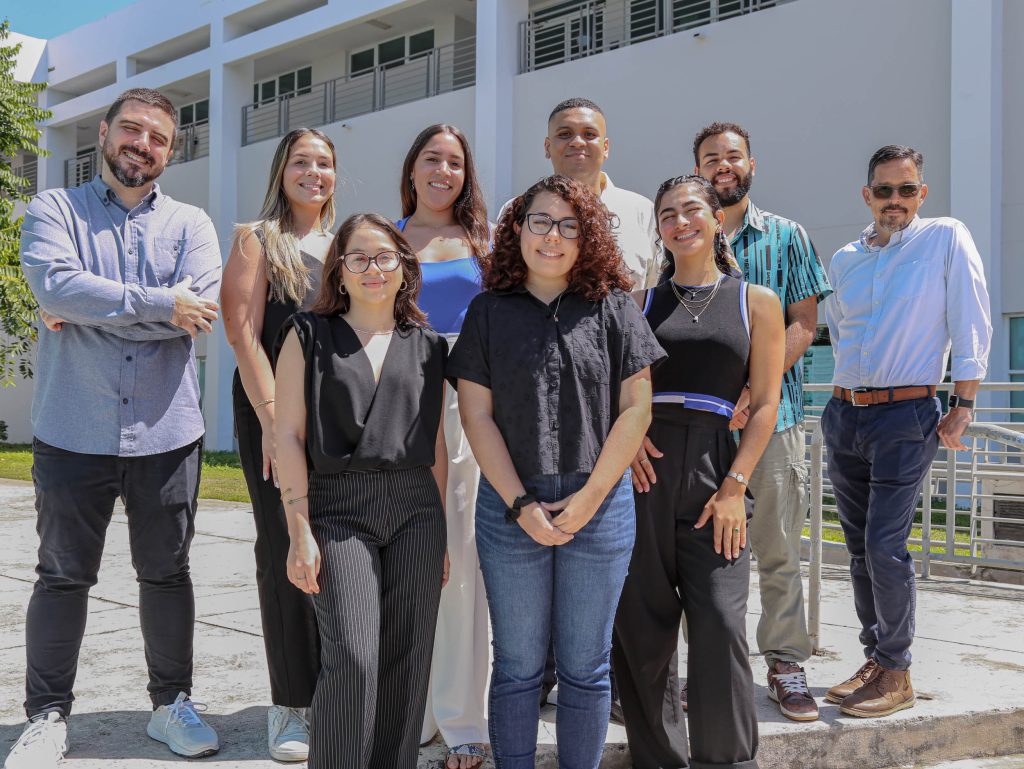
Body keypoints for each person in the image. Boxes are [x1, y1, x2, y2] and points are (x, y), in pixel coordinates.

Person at [8, 88, 222, 769]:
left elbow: (204, 308)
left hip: (167, 432)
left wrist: (93, 303)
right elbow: (55, 288)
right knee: (63, 576)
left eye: (157, 137)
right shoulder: (53, 210)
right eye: (131, 129)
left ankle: (171, 705)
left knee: (167, 573)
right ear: (103, 133)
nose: (142, 144)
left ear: (171, 150)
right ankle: (46, 716)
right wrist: (162, 303)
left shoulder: (192, 224)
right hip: (74, 429)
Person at [448, 175, 665, 769]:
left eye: (570, 225)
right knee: (517, 665)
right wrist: (520, 504)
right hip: (508, 508)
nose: (553, 236)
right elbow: (477, 415)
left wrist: (591, 499)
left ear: (586, 236)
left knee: (586, 667)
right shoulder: (487, 312)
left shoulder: (615, 307)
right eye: (541, 221)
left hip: (598, 509)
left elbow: (636, 410)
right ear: (517, 229)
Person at [616, 175, 784, 769]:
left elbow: (764, 403)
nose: (680, 222)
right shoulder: (639, 302)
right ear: (658, 229)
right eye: (667, 214)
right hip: (644, 471)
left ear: (717, 219)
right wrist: (625, 443)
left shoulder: (755, 301)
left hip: (717, 467)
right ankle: (657, 759)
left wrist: (736, 485)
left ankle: (727, 761)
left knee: (719, 623)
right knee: (642, 628)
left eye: (692, 210)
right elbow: (618, 388)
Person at [274, 213, 449, 769]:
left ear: (403, 266)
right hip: (338, 509)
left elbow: (437, 442)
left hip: (416, 509)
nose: (373, 269)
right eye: (358, 258)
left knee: (408, 656)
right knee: (352, 655)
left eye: (384, 257)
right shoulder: (306, 333)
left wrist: (440, 528)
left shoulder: (427, 343)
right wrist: (298, 530)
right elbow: (288, 436)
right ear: (340, 271)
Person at [822, 145, 991, 717]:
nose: (895, 200)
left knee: (884, 545)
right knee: (856, 548)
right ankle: (876, 658)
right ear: (866, 195)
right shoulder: (844, 258)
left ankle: (897, 672)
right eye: (884, 190)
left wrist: (963, 401)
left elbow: (971, 317)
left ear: (922, 193)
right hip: (845, 413)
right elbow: (842, 335)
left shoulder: (944, 237)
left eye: (907, 189)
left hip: (906, 413)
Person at [692, 121, 831, 721]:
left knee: (775, 547)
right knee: (693, 553)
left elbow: (805, 322)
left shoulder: (787, 236)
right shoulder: (681, 233)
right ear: (696, 169)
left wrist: (757, 387)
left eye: (732, 157)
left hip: (774, 419)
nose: (722, 166)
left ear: (752, 165)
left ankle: (785, 663)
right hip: (698, 426)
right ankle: (701, 667)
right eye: (709, 158)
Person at [221, 127, 337, 762]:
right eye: (301, 162)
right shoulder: (256, 239)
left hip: (339, 422)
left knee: (336, 549)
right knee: (285, 550)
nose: (313, 173)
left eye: (323, 163)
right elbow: (241, 332)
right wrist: (272, 424)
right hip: (274, 418)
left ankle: (336, 691)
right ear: (281, 170)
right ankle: (290, 704)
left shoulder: (347, 244)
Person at [395, 123, 490, 769]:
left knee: (461, 563)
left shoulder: (485, 242)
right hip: (399, 401)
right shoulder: (387, 238)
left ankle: (461, 719)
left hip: (471, 405)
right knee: (408, 564)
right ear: (413, 167)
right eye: (432, 158)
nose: (443, 170)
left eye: (454, 162)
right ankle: (414, 710)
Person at [502, 97, 658, 291]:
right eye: (565, 134)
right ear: (547, 147)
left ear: (606, 147)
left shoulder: (643, 211)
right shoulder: (515, 210)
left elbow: (654, 292)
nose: (577, 142)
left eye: (589, 134)